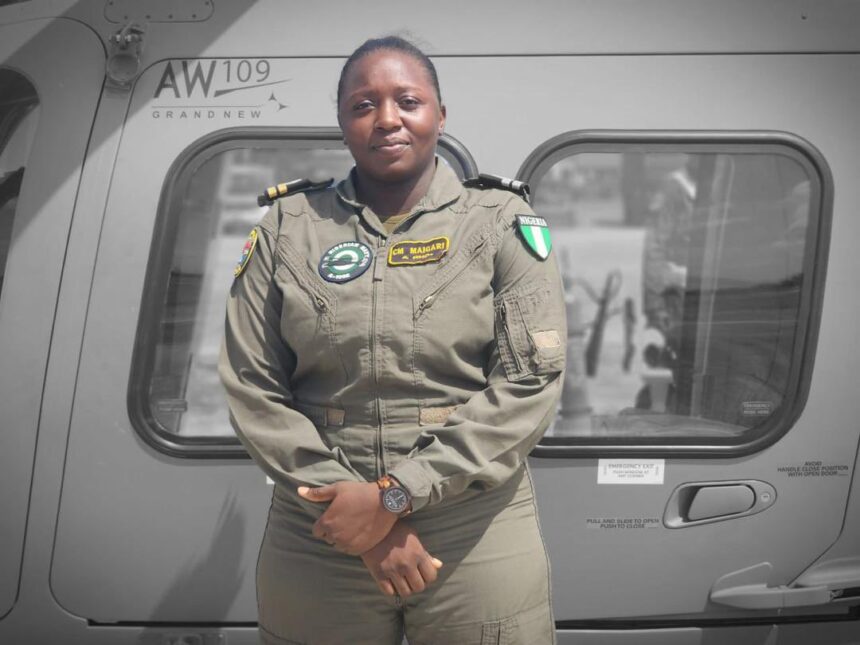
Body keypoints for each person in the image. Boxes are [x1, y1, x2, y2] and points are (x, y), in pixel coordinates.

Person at [219, 36, 566, 645]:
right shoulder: (287, 228)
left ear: (440, 114)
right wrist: (352, 513)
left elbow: (528, 384)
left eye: (408, 101)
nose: (386, 119)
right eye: (363, 105)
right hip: (321, 527)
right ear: (342, 122)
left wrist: (394, 498)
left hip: (471, 526)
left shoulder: (501, 222)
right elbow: (252, 386)